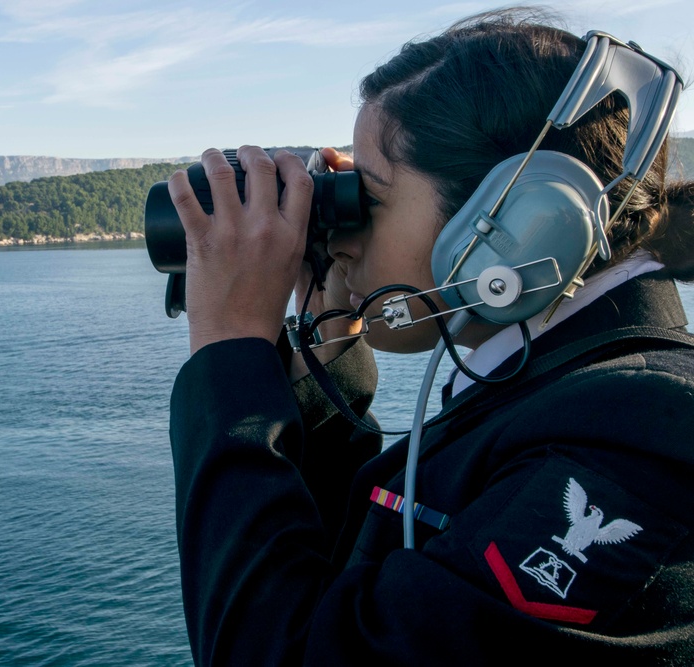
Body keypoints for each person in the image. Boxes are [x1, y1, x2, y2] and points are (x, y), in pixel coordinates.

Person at [165, 9, 694, 665]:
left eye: (371, 198)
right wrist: (323, 380)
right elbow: (358, 594)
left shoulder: (644, 443)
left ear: (521, 223)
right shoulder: (559, 384)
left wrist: (229, 356)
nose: (342, 237)